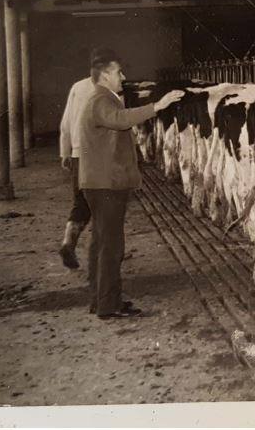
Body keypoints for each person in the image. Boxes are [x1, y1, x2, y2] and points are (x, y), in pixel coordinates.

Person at [78, 49, 184, 319]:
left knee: (102, 242)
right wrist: (156, 107)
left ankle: (101, 300)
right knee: (111, 246)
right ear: (104, 75)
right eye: (118, 72)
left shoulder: (103, 99)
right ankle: (108, 305)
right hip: (106, 184)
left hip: (102, 182)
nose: (123, 77)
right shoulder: (101, 100)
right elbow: (118, 120)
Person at [57, 55, 99, 270]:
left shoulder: (77, 86)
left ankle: (68, 242)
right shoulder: (111, 90)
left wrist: (65, 152)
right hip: (100, 156)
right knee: (104, 203)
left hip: (77, 154)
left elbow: (65, 123)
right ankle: (100, 255)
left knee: (80, 201)